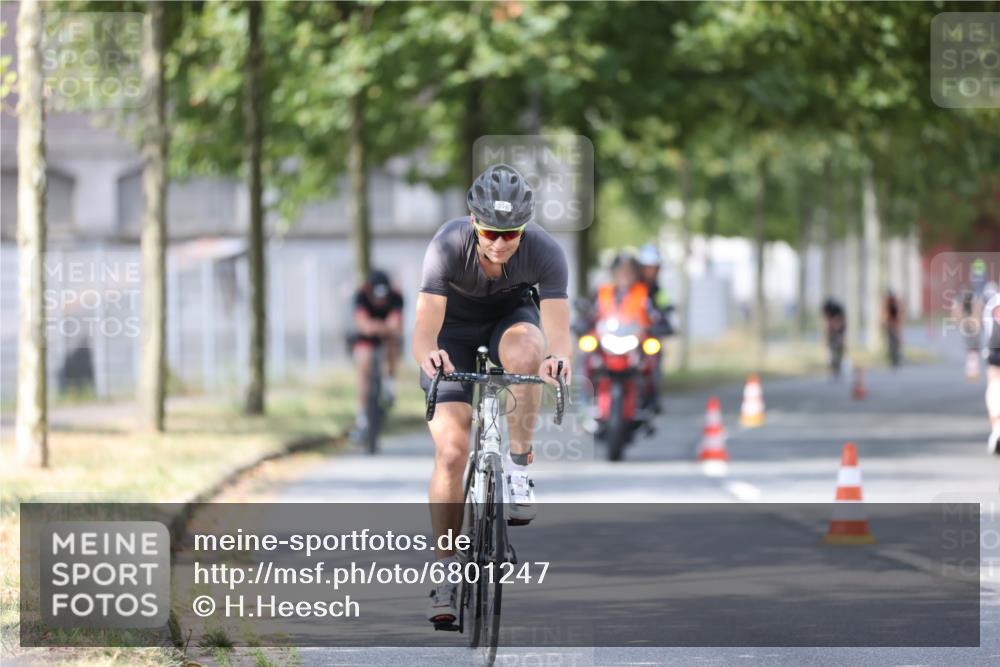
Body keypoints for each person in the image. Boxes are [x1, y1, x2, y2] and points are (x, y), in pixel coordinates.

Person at [413, 164, 572, 625]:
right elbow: (424, 331)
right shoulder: (446, 245)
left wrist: (555, 361)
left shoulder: (545, 251)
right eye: (490, 231)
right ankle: (445, 570)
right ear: (472, 220)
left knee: (529, 351)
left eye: (511, 233)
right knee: (452, 451)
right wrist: (431, 357)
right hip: (453, 333)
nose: (500, 243)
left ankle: (518, 466)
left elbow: (560, 334)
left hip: (511, 321)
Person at [350, 270, 403, 442]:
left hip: (388, 339)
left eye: (383, 297)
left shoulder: (396, 297)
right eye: (377, 297)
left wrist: (377, 327)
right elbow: (363, 326)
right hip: (366, 339)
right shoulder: (361, 296)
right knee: (363, 364)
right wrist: (382, 326)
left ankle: (389, 382)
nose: (380, 301)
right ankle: (362, 414)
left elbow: (396, 325)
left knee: (392, 344)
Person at [635, 243, 672, 412]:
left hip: (647, 336)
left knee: (655, 356)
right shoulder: (630, 286)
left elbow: (664, 309)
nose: (650, 271)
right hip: (624, 333)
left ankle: (652, 397)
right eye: (646, 267)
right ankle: (588, 401)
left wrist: (664, 322)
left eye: (653, 267)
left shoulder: (658, 291)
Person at [982, 282, 1000, 455]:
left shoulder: (993, 302)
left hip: (995, 349)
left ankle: (997, 425)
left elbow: (987, 331)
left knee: (994, 382)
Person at [952, 285, 982, 380]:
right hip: (972, 326)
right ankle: (972, 371)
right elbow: (978, 313)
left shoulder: (961, 301)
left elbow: (956, 314)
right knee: (973, 351)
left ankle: (971, 371)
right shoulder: (974, 301)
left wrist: (958, 322)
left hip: (967, 326)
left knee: (971, 351)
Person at [821, 297, 846, 378]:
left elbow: (841, 324)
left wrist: (841, 337)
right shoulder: (826, 311)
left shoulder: (838, 310)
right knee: (830, 343)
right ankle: (832, 365)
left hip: (840, 326)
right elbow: (827, 323)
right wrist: (827, 338)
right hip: (832, 327)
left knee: (839, 344)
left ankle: (838, 364)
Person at [883, 289, 902, 367]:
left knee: (894, 343)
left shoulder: (892, 303)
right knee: (892, 343)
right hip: (892, 326)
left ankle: (896, 359)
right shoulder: (892, 303)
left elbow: (894, 316)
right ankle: (894, 358)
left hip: (892, 326)